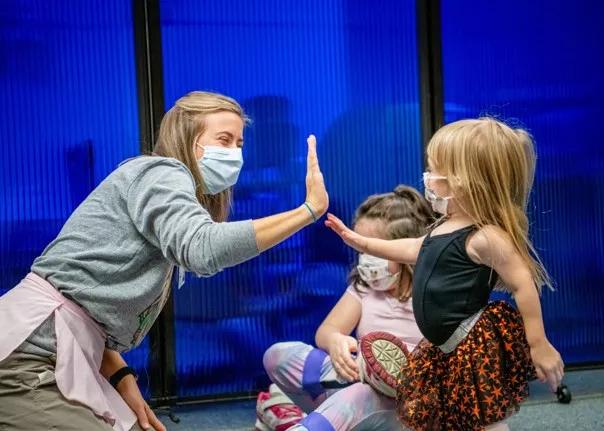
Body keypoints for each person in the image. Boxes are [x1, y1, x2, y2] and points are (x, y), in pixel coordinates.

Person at [0, 91, 329, 431]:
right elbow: (203, 249)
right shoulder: (161, 172)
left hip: (62, 355)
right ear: (189, 140)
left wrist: (125, 381)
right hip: (25, 358)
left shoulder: (164, 191)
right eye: (224, 140)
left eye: (240, 143)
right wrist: (307, 211)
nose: (235, 153)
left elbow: (84, 315)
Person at [326, 118, 565, 431]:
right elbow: (415, 248)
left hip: (469, 345)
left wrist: (538, 344)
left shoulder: (485, 237)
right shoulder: (443, 225)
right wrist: (362, 242)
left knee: (481, 420)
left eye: (434, 168)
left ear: (463, 180)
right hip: (441, 347)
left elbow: (524, 285)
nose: (427, 176)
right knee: (445, 416)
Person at [258, 185, 434, 431]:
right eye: (360, 248)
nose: (365, 256)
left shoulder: (432, 298)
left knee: (362, 394)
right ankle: (319, 418)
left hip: (406, 410)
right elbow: (326, 331)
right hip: (356, 381)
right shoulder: (364, 289)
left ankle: (304, 423)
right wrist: (336, 342)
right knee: (278, 356)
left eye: (373, 248)